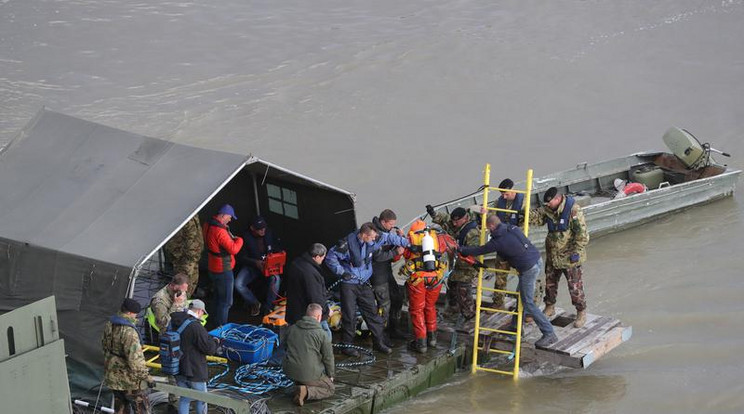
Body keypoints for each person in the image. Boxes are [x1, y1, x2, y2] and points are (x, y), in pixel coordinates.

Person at [459, 215, 558, 347]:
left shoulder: (498, 241)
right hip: (536, 260)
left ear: (492, 226)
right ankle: (515, 326)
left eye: (488, 229)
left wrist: (461, 249)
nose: (488, 231)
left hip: (528, 269)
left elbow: (480, 250)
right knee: (521, 297)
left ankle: (549, 333)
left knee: (528, 303)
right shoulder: (512, 228)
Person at [325, 222, 410, 356]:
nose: (373, 240)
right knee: (349, 314)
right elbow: (330, 257)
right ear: (364, 235)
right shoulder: (346, 245)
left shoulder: (374, 237)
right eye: (371, 238)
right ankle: (347, 345)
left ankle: (378, 342)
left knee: (372, 312)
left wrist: (407, 243)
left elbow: (389, 238)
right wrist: (341, 272)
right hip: (349, 283)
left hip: (364, 282)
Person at [530, 187, 590, 328]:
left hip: (570, 257)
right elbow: (537, 218)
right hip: (553, 255)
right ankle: (550, 307)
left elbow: (582, 235)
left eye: (550, 203)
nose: (547, 205)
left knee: (575, 288)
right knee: (550, 284)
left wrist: (575, 252)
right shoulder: (548, 210)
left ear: (558, 199)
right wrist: (524, 213)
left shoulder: (574, 211)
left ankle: (581, 312)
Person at [427, 205, 480, 328]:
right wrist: (433, 213)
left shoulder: (472, 234)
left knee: (463, 291)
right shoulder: (454, 224)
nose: (454, 223)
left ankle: (469, 315)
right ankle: (453, 309)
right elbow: (443, 219)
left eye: (457, 221)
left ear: (465, 219)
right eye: (453, 221)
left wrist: (454, 253)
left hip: (467, 267)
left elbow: (472, 257)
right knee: (451, 287)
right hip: (455, 266)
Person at [400, 220, 447, 353]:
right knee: (430, 306)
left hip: (418, 279)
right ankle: (432, 338)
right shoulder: (436, 238)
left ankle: (421, 343)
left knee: (417, 310)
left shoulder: (410, 238)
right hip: (435, 277)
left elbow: (399, 255)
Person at [101, 298, 152, 414]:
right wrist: (146, 377)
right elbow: (135, 361)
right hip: (130, 380)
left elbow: (104, 346)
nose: (136, 316)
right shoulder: (129, 332)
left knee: (120, 409)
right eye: (135, 314)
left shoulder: (110, 324)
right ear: (129, 313)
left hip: (113, 376)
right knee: (142, 409)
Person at [169, 300, 219, 414]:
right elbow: (209, 349)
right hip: (194, 370)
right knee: (202, 398)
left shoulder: (175, 321)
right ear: (200, 311)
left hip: (177, 367)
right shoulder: (196, 326)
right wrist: (216, 342)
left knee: (185, 398)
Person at [283, 303, 335, 406]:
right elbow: (328, 358)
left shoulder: (292, 328)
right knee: (330, 388)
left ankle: (297, 386)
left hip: (289, 371)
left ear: (306, 314)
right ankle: (306, 392)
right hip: (309, 373)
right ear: (319, 317)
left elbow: (285, 346)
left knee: (302, 373)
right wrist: (330, 375)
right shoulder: (322, 334)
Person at [203, 204, 243, 327]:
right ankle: (222, 328)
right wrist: (240, 239)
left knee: (217, 297)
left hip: (212, 266)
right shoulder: (220, 231)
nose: (230, 220)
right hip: (223, 270)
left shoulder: (207, 225)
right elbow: (234, 249)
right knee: (226, 302)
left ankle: (213, 322)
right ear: (223, 215)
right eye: (230, 217)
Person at [370, 209, 406, 340]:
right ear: (383, 222)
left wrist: (400, 238)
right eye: (391, 224)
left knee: (397, 298)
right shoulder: (374, 234)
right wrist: (396, 252)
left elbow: (388, 252)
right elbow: (377, 256)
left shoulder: (386, 232)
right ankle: (381, 336)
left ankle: (394, 329)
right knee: (384, 307)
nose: (392, 226)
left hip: (387, 273)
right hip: (377, 276)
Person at [235, 216, 281, 316]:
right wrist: (255, 262)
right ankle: (254, 303)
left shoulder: (269, 233)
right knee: (238, 284)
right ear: (252, 228)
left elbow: (277, 247)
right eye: (260, 229)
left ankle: (269, 308)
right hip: (252, 266)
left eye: (264, 228)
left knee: (276, 279)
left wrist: (276, 256)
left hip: (269, 266)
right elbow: (241, 257)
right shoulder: (244, 237)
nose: (263, 231)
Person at [284, 243, 332, 339]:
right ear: (317, 257)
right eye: (323, 257)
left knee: (293, 339)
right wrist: (326, 311)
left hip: (294, 312)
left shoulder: (296, 263)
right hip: (307, 314)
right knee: (326, 336)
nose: (323, 260)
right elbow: (316, 297)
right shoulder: (311, 274)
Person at [165, 215, 204, 298]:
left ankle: (184, 304)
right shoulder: (182, 214)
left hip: (193, 256)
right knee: (181, 285)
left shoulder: (194, 215)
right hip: (183, 257)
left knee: (191, 284)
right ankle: (178, 306)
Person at [147, 273, 189, 338]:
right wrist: (175, 305)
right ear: (174, 287)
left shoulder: (180, 291)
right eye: (183, 289)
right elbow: (163, 324)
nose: (185, 291)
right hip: (169, 333)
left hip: (182, 324)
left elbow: (185, 306)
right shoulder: (159, 301)